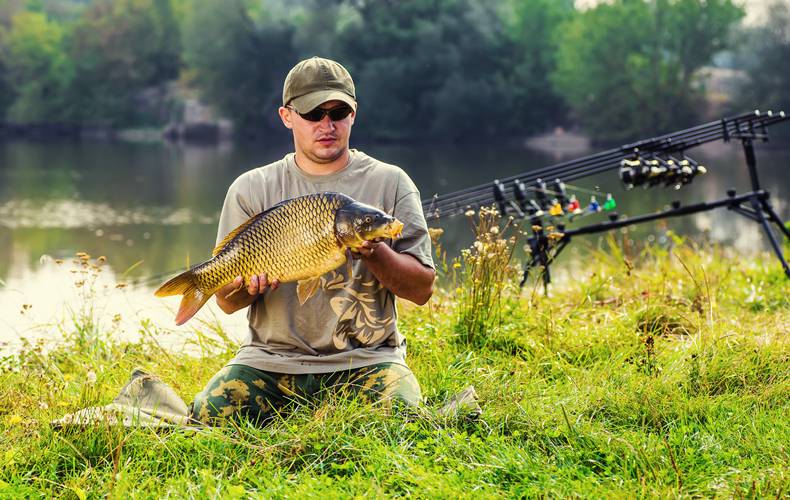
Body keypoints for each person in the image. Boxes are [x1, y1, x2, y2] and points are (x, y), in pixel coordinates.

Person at [190, 57, 436, 424]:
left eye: (338, 112)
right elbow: (227, 302)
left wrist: (375, 253)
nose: (327, 125)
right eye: (312, 113)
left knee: (404, 418)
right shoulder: (252, 188)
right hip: (270, 362)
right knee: (209, 413)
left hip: (368, 361)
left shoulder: (391, 182)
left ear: (354, 114)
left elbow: (421, 290)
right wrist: (249, 288)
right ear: (287, 116)